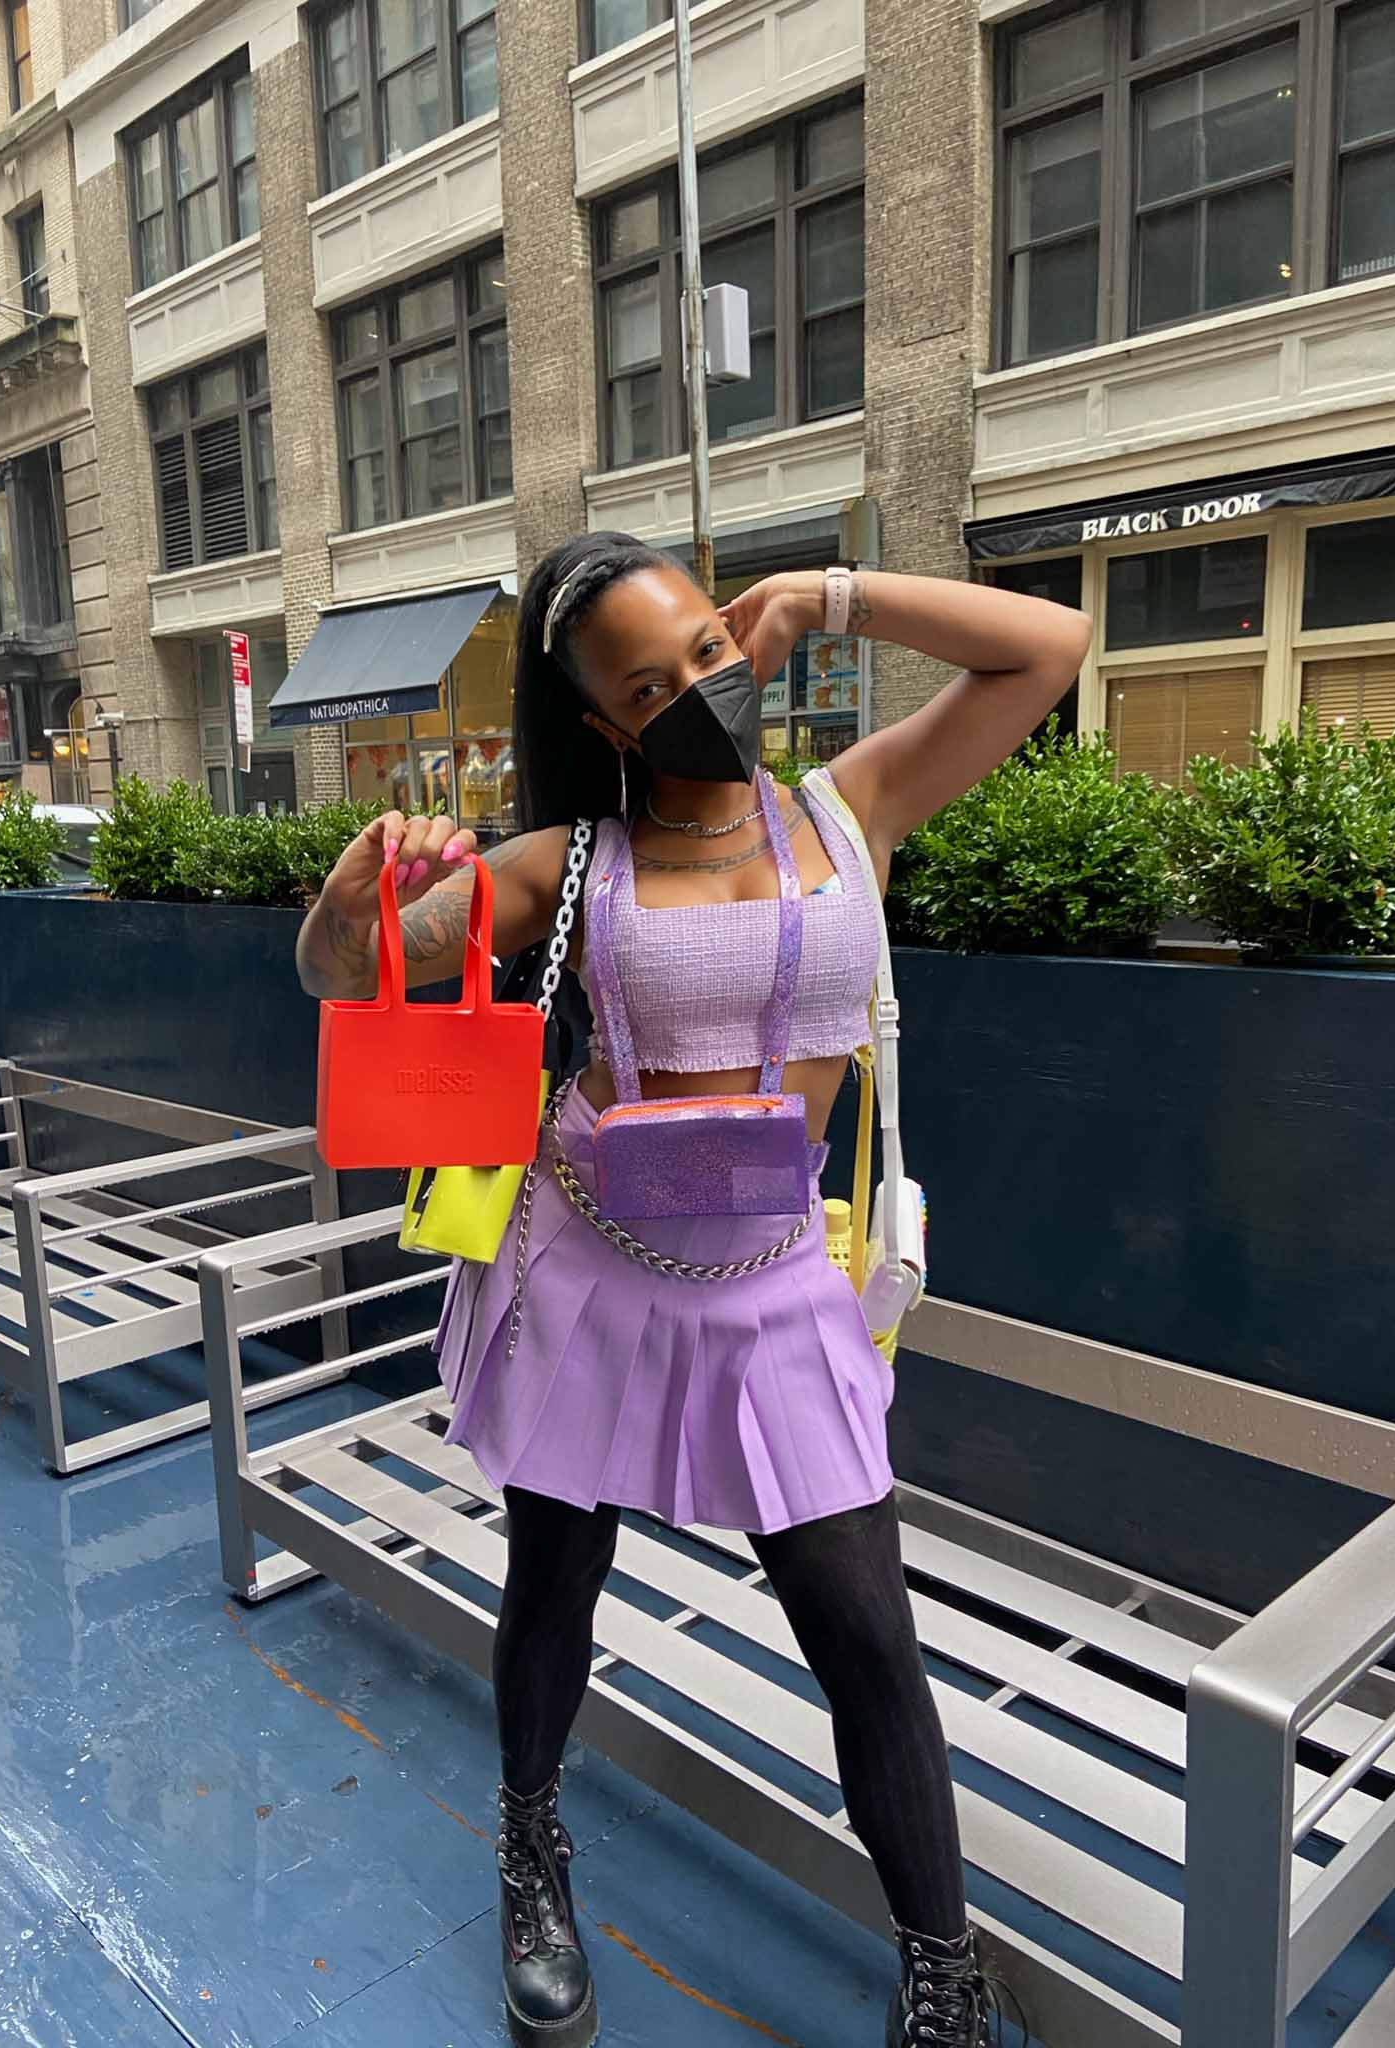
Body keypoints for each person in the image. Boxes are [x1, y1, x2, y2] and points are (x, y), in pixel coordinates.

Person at [298, 536, 1089, 2048]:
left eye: (707, 659)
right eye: (648, 684)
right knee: (556, 1587)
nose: (694, 695)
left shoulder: (849, 814)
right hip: (591, 1264)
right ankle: (531, 1847)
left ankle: (942, 1974)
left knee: (866, 1631)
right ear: (603, 722)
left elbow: (1045, 646)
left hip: (776, 1280)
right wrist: (347, 908)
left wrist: (828, 595)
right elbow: (350, 981)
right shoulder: (567, 863)